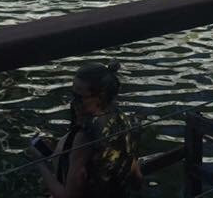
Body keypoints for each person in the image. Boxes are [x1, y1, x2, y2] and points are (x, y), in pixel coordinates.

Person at [31, 61, 141, 198]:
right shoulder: (122, 118)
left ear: (100, 97)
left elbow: (69, 196)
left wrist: (39, 162)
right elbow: (136, 178)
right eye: (72, 94)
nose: (72, 101)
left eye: (79, 97)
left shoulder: (85, 137)